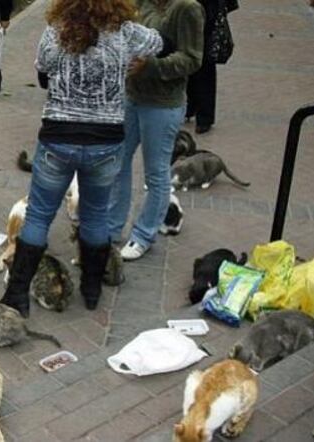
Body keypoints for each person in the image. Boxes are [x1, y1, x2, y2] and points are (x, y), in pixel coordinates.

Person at [0, 0, 163, 316]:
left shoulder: (55, 30)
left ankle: (17, 293)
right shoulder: (126, 33)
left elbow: (44, 73)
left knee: (38, 215)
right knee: (96, 214)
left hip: (58, 137)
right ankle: (91, 289)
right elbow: (161, 42)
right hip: (106, 140)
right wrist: (134, 62)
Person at [107, 0, 204, 261]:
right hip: (132, 96)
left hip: (162, 105)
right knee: (118, 160)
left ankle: (143, 234)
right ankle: (113, 226)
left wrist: (151, 66)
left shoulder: (187, 7)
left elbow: (193, 58)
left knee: (156, 171)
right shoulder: (141, 2)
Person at [186, 0, 238, 134]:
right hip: (191, 10)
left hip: (207, 10)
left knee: (204, 63)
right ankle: (190, 106)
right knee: (189, 56)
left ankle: (204, 116)